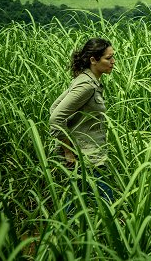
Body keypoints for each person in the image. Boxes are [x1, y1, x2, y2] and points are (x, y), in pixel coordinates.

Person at [49, 37, 115, 205]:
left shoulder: (88, 81)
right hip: (88, 158)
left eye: (113, 57)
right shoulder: (86, 85)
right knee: (108, 205)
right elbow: (56, 117)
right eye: (108, 58)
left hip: (91, 156)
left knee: (77, 202)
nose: (113, 62)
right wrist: (68, 151)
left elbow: (54, 108)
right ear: (93, 60)